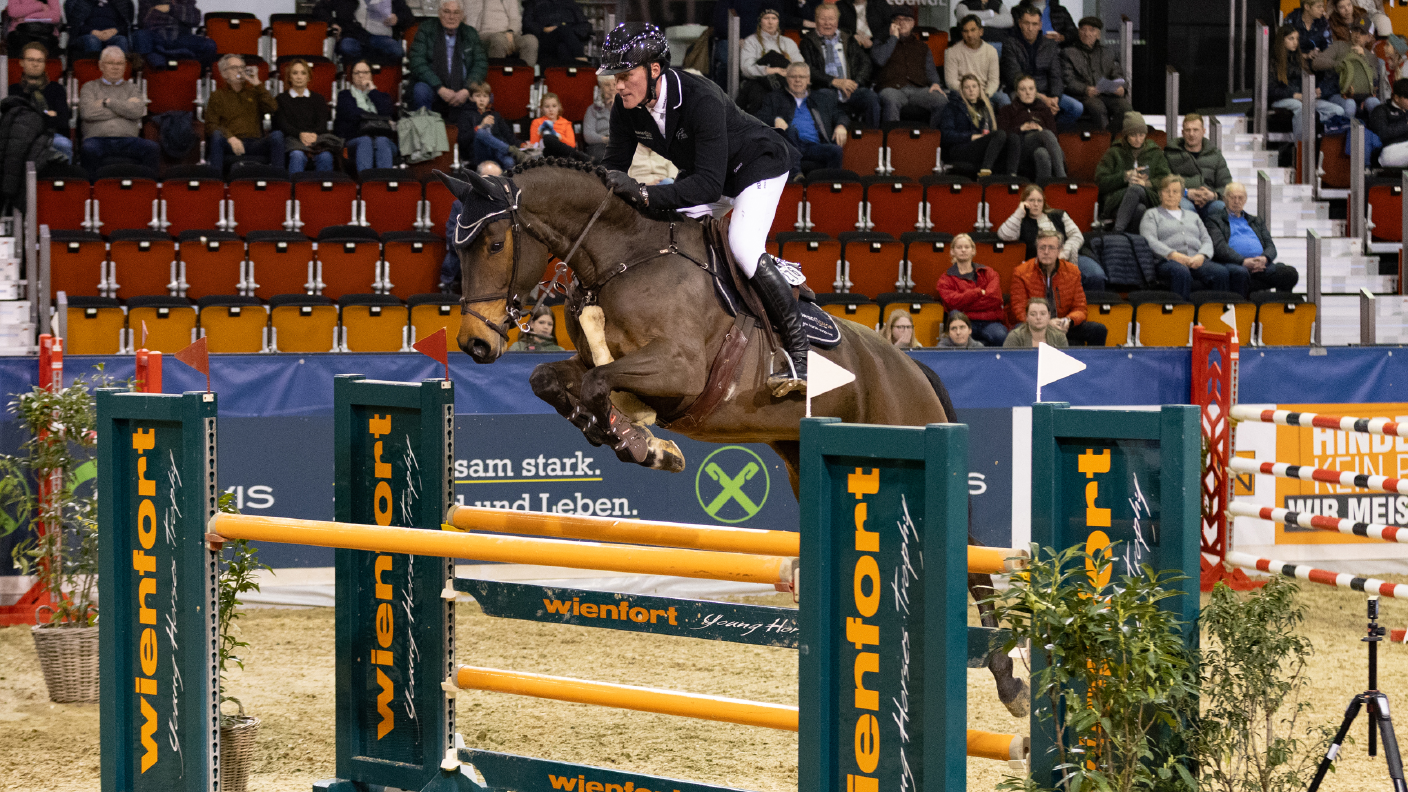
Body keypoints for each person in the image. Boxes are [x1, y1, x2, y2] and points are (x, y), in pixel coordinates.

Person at [598, 23, 807, 393]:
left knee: (742, 244)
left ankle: (799, 355)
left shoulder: (700, 97)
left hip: (758, 166)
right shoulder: (627, 108)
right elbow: (614, 169)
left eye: (625, 75)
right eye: (615, 77)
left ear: (654, 70)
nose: (618, 85)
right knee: (670, 235)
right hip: (710, 176)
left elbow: (707, 186)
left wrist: (645, 195)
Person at [1139, 175, 1246, 300]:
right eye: (1166, 191)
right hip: (1167, 261)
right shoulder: (1152, 214)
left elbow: (1206, 240)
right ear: (1160, 194)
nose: (1171, 195)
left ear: (1181, 195)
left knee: (1220, 272)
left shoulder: (1193, 216)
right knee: (1181, 272)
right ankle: (1183, 316)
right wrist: (1173, 255)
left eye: (1175, 191)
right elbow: (1149, 240)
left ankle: (1216, 316)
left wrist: (1201, 256)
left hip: (1195, 259)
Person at [997, 184, 1105, 292]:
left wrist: (1065, 253)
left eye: (1039, 201)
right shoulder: (1021, 223)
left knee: (1096, 275)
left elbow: (1077, 236)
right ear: (1024, 202)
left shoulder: (1059, 215)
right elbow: (1004, 234)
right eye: (1031, 200)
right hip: (1043, 262)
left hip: (1072, 256)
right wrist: (1019, 211)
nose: (1035, 204)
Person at [1009, 229, 1105, 346]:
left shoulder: (1072, 272)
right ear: (1037, 250)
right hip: (1035, 325)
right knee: (1019, 328)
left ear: (1060, 250)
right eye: (1042, 248)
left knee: (1098, 330)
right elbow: (1019, 310)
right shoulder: (1021, 272)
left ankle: (1092, 364)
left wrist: (1068, 321)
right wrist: (1046, 323)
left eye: (1051, 248)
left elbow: (1080, 308)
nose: (1046, 252)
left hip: (1062, 324)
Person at [1204, 182, 1300, 295]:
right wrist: (1243, 261)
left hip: (1260, 264)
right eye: (1232, 197)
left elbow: (1270, 246)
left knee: (1289, 273)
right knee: (1241, 273)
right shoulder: (1214, 220)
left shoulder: (1256, 221)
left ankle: (1278, 309)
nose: (1236, 201)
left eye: (1240, 198)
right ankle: (1242, 309)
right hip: (1236, 264)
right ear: (1225, 199)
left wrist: (1264, 259)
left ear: (1245, 200)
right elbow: (1220, 248)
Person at [799, 3, 881, 128]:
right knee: (826, 96)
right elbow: (808, 69)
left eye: (831, 19)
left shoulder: (848, 38)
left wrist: (855, 84)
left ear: (837, 21)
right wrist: (833, 81)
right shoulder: (807, 42)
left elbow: (865, 63)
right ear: (816, 20)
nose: (827, 23)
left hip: (850, 88)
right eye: (823, 19)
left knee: (871, 97)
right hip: (824, 89)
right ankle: (827, 144)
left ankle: (873, 139)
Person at [78, 46, 159, 172]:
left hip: (129, 140)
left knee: (152, 148)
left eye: (120, 63)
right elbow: (87, 113)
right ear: (101, 65)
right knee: (88, 149)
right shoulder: (89, 87)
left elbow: (137, 111)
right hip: (97, 140)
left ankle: (146, 189)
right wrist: (124, 108)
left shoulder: (133, 88)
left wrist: (107, 102)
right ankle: (92, 189)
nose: (116, 67)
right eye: (110, 63)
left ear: (125, 66)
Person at [1000, 5, 1082, 128]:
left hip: (1046, 91)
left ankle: (1049, 130)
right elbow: (1014, 77)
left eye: (1034, 24)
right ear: (1020, 23)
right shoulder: (1010, 44)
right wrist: (1042, 98)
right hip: (1020, 90)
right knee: (1017, 108)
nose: (1030, 28)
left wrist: (1054, 97)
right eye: (1027, 23)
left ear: (1040, 25)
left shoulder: (1049, 45)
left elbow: (1056, 75)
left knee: (1076, 108)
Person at [756, 62, 846, 174]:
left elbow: (840, 114)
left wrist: (841, 125)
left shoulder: (821, 99)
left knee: (835, 151)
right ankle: (796, 176)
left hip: (812, 147)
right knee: (791, 130)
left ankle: (829, 187)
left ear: (808, 80)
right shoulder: (774, 98)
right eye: (793, 76)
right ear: (786, 79)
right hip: (788, 145)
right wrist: (775, 119)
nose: (797, 80)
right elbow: (759, 117)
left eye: (802, 77)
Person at [407, 0, 490, 117]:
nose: (451, 17)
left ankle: (473, 132)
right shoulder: (426, 29)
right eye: (447, 12)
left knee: (487, 96)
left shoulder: (470, 33)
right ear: (439, 13)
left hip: (463, 87)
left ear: (462, 15)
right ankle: (425, 131)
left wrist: (467, 90)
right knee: (420, 91)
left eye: (456, 13)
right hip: (434, 86)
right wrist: (439, 88)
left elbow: (480, 64)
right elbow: (417, 62)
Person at [206, 54, 284, 174]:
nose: (239, 70)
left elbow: (273, 108)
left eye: (242, 67)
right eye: (234, 67)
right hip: (231, 143)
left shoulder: (254, 91)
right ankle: (215, 182)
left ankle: (278, 180)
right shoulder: (217, 95)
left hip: (255, 143)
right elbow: (211, 125)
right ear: (224, 73)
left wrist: (257, 83)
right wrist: (230, 137)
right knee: (217, 135)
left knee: (277, 136)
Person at [871, 8, 947, 127]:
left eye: (906, 20)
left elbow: (931, 72)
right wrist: (893, 38)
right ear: (893, 23)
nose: (902, 23)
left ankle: (932, 139)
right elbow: (880, 60)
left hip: (918, 89)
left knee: (941, 100)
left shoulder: (922, 47)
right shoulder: (882, 41)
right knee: (891, 99)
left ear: (913, 24)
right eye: (898, 19)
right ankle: (892, 142)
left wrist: (935, 83)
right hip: (891, 88)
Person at [1095, 111, 1168, 232]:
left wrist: (1147, 184)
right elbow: (1100, 182)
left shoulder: (1155, 152)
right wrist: (1124, 177)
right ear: (1126, 135)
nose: (1138, 139)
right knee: (1139, 209)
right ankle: (1133, 242)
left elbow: (1166, 180)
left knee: (1136, 188)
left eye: (1141, 134)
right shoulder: (1114, 152)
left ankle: (1117, 232)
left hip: (1149, 197)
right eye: (1133, 135)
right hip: (1119, 199)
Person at [1270, 25, 1345, 136]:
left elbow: (1305, 81)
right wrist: (1295, 95)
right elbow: (1271, 90)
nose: (1295, 42)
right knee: (1299, 107)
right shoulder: (1273, 62)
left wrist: (1312, 91)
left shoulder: (1299, 59)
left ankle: (1315, 117)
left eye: (1297, 39)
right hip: (1282, 98)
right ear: (1282, 40)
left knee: (1338, 110)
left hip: (1304, 98)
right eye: (1291, 38)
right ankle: (1300, 146)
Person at [935, 232, 1009, 346]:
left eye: (966, 247)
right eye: (959, 247)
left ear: (973, 251)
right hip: (965, 323)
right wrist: (978, 292)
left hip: (990, 322)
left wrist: (966, 302)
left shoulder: (989, 273)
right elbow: (953, 304)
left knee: (1001, 336)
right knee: (955, 316)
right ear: (952, 252)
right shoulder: (945, 279)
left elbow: (995, 299)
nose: (963, 250)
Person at [1061, 17, 1131, 133]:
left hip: (1107, 93)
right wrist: (1085, 89)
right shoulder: (1069, 53)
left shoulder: (1108, 52)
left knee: (1126, 109)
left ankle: (1112, 138)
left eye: (1092, 30)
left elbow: (1118, 74)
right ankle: (1104, 142)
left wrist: (1121, 87)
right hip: (1084, 95)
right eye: (1083, 30)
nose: (1087, 33)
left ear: (1098, 34)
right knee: (1097, 108)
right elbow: (1068, 80)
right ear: (1078, 32)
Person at [936, 73, 1014, 176]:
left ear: (979, 89)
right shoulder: (952, 107)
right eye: (967, 87)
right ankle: (985, 172)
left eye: (974, 86)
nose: (971, 90)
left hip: (979, 147)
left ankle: (1012, 176)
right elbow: (946, 135)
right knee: (999, 134)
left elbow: (988, 132)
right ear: (962, 90)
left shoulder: (984, 108)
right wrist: (971, 137)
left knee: (1013, 138)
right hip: (960, 149)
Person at [10, 42, 73, 162]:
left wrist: (33, 116)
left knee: (64, 144)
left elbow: (63, 120)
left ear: (44, 64)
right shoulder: (13, 90)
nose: (35, 64)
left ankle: (63, 178)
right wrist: (47, 114)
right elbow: (12, 120)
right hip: (22, 137)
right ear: (21, 62)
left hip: (51, 136)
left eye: (39, 60)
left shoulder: (56, 89)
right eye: (31, 60)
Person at [1312, 15, 1384, 118]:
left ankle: (1372, 134)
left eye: (1362, 32)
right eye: (1355, 30)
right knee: (1350, 104)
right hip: (1337, 93)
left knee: (1375, 104)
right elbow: (1316, 63)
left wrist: (1363, 58)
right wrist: (1340, 64)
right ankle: (1348, 132)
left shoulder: (1371, 57)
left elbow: (1374, 82)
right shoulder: (1339, 46)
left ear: (1369, 37)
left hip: (1361, 95)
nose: (1357, 35)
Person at [997, 74, 1066, 180]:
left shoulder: (1044, 110)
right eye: (1023, 89)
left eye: (1031, 88)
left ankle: (1044, 189)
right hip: (1021, 148)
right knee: (1046, 134)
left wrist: (1040, 129)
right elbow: (1001, 136)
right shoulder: (1007, 110)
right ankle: (1062, 178)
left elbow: (1055, 136)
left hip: (1042, 147)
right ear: (1017, 92)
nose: (1028, 92)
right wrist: (1020, 128)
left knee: (1042, 153)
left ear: (1035, 91)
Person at [335, 59, 398, 174]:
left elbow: (387, 112)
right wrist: (377, 117)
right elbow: (352, 114)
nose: (361, 76)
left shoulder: (382, 96)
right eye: (357, 73)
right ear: (351, 76)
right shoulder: (344, 96)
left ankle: (384, 182)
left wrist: (372, 91)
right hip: (355, 140)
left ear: (371, 75)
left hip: (383, 140)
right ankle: (366, 183)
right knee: (365, 141)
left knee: (382, 141)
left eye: (365, 72)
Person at [1164, 113, 1231, 219]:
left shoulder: (1215, 155)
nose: (1191, 134)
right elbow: (1164, 183)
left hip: (1209, 200)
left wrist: (1213, 195)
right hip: (1182, 198)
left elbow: (1227, 186)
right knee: (1185, 208)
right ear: (1182, 132)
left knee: (1220, 208)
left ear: (1203, 132)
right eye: (1188, 130)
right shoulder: (1171, 154)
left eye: (1195, 130)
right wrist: (1186, 192)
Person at [738, 8, 805, 112]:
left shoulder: (788, 42)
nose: (770, 22)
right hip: (758, 82)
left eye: (774, 18)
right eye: (766, 18)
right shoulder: (751, 41)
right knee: (758, 95)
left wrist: (788, 72)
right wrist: (772, 70)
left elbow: (800, 66)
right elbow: (746, 68)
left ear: (778, 21)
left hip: (784, 82)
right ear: (760, 21)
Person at [277, 60, 336, 172]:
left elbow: (322, 124)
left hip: (316, 138)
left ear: (309, 77)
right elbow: (282, 124)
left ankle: (323, 188)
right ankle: (294, 188)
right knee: (297, 155)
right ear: (289, 77)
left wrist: (313, 135)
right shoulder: (281, 99)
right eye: (295, 73)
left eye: (303, 73)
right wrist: (300, 134)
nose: (299, 77)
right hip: (293, 139)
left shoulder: (318, 99)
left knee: (326, 156)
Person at [312, 0, 410, 63]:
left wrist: (397, 18)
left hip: (381, 35)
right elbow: (319, 8)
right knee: (347, 47)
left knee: (396, 50)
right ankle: (359, 73)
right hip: (352, 34)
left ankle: (380, 79)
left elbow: (408, 15)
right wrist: (332, 23)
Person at [945, 15, 1007, 107]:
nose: (969, 35)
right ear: (962, 33)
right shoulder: (951, 52)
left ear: (981, 31)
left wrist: (985, 95)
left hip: (985, 92)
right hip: (962, 92)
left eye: (973, 30)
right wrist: (970, 92)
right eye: (966, 31)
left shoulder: (991, 51)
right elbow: (951, 82)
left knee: (1004, 99)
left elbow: (994, 81)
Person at [463, 81, 526, 169]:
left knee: (509, 162)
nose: (481, 100)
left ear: (489, 98)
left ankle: (506, 181)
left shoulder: (496, 115)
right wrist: (480, 126)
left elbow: (508, 135)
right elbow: (462, 140)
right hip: (480, 153)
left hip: (498, 152)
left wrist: (522, 144)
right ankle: (510, 150)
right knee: (481, 132)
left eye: (485, 96)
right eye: (478, 96)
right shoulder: (466, 115)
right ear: (471, 98)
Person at [134, 0, 217, 66]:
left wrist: (171, 9)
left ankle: (201, 78)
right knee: (140, 35)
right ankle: (166, 55)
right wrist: (182, 14)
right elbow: (145, 21)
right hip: (157, 37)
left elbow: (195, 19)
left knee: (209, 45)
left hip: (181, 37)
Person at [464, 0, 537, 65]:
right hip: (486, 34)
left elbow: (515, 19)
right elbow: (469, 20)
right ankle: (496, 77)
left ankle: (525, 76)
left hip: (509, 34)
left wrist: (510, 32)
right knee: (498, 39)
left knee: (531, 41)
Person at [522, 0, 592, 66]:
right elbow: (527, 23)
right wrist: (542, 29)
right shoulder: (534, 2)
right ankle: (580, 60)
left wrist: (570, 31)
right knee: (563, 31)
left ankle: (566, 74)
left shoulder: (570, 3)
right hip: (546, 37)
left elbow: (585, 25)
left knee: (563, 46)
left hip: (569, 37)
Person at [66, 0, 134, 54]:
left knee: (122, 40)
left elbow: (126, 25)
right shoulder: (80, 2)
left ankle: (120, 69)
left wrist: (115, 30)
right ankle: (94, 70)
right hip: (88, 35)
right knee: (93, 41)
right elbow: (75, 25)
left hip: (113, 35)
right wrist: (92, 32)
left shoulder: (122, 2)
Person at [1003, 296, 1068, 347]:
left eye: (1042, 313)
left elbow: (1065, 361)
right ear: (1026, 317)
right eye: (1033, 314)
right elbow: (1007, 361)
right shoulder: (1015, 337)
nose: (1038, 317)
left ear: (1049, 316)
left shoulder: (1059, 337)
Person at [1370, 78, 1408, 166]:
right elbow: (1382, 134)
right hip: (1389, 150)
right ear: (1396, 98)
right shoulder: (1381, 110)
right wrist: (1406, 125)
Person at [1012, 0, 1078, 45]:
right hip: (1027, 50)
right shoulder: (1018, 10)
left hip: (1057, 50)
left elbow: (1073, 33)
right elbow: (1015, 34)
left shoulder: (1060, 10)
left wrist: (1061, 37)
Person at [582, 77, 617, 160]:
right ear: (601, 89)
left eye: (614, 85)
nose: (611, 88)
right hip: (600, 144)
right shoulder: (592, 109)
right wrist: (606, 139)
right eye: (607, 85)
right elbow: (588, 135)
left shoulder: (626, 107)